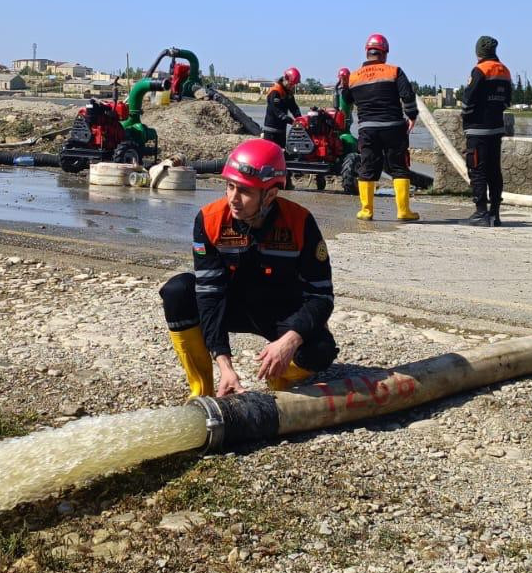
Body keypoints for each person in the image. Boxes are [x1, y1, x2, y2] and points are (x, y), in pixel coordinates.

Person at [159, 138, 337, 399]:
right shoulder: (210, 220)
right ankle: (202, 391)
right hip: (234, 304)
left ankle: (280, 375)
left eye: (244, 191)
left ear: (270, 195)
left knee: (321, 351)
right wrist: (225, 365)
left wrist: (290, 341)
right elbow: (210, 294)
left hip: (282, 310)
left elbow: (321, 296)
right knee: (177, 291)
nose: (233, 198)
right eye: (230, 186)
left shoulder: (300, 222)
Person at [345, 33, 419, 222]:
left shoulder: (354, 76)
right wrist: (412, 116)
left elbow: (346, 99)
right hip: (393, 127)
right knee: (399, 167)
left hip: (367, 129)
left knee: (367, 167)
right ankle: (404, 211)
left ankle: (366, 211)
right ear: (385, 53)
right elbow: (408, 95)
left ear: (367, 52)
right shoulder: (394, 71)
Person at [462, 36, 513, 226]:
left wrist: (467, 117)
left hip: (478, 130)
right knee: (494, 171)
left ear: (478, 52)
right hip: (496, 128)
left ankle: (480, 212)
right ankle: (494, 214)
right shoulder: (504, 71)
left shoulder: (480, 70)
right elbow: (507, 101)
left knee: (477, 170)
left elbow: (468, 100)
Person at [262, 68, 302, 149]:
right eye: (291, 84)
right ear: (286, 79)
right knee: (271, 153)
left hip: (281, 130)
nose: (292, 87)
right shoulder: (275, 91)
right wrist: (292, 122)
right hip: (271, 131)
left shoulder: (288, 92)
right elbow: (278, 112)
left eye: (294, 85)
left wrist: (300, 120)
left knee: (281, 152)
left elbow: (294, 108)